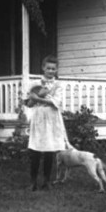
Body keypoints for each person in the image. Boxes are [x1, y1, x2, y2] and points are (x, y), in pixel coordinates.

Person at [24, 55, 69, 191]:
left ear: (56, 70)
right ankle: (33, 182)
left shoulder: (58, 85)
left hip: (51, 118)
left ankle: (47, 181)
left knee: (50, 150)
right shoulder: (35, 84)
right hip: (38, 118)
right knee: (36, 150)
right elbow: (30, 103)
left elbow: (56, 103)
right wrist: (35, 97)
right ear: (43, 68)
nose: (50, 71)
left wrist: (40, 97)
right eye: (48, 68)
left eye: (53, 69)